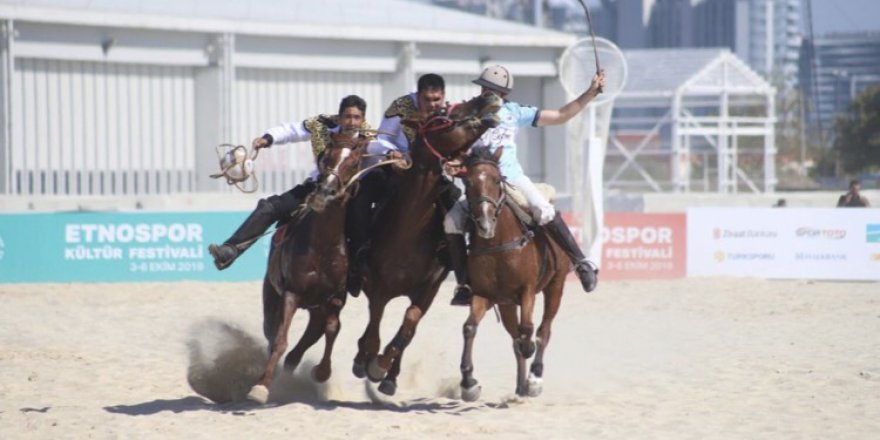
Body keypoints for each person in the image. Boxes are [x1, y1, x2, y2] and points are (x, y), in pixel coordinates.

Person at [444, 65, 605, 306]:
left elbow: (561, 115)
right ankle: (464, 284)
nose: (487, 94)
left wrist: (590, 92)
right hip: (480, 182)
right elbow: (451, 146)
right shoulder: (466, 114)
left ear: (504, 94)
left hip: (512, 178)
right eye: (485, 89)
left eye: (493, 91)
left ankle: (582, 263)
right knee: (451, 221)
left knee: (544, 210)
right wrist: (453, 161)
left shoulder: (515, 112)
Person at [208, 95, 371, 270]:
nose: (351, 122)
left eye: (356, 118)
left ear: (362, 120)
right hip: (316, 187)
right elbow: (293, 130)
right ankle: (231, 250)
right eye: (347, 117)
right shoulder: (321, 124)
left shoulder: (371, 137)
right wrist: (268, 138)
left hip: (349, 192)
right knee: (268, 207)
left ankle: (362, 269)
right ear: (339, 117)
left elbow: (385, 149)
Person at [345, 73, 452, 295]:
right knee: (360, 196)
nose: (432, 105)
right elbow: (381, 137)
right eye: (427, 99)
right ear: (418, 96)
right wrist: (391, 151)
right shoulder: (401, 106)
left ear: (443, 96)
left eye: (437, 99)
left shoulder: (448, 113)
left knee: (456, 201)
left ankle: (452, 257)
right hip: (395, 166)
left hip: (430, 172)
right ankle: (359, 257)